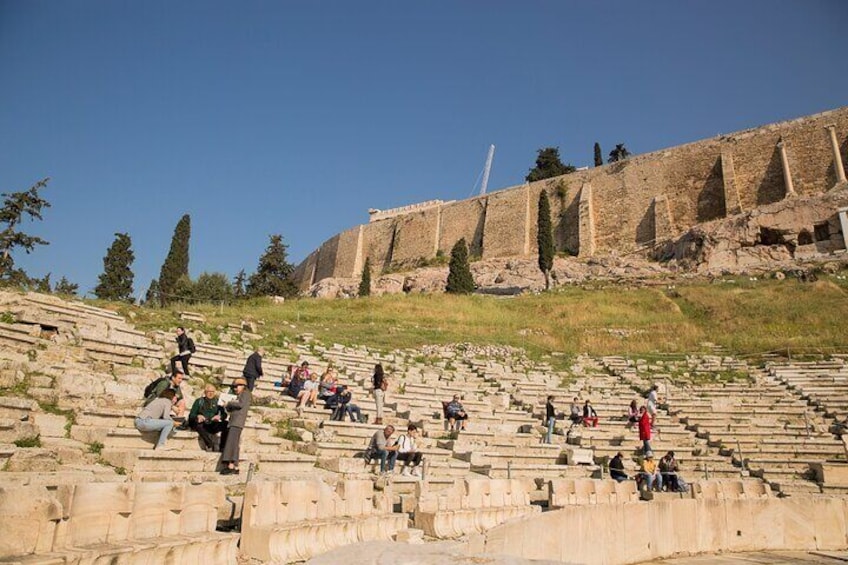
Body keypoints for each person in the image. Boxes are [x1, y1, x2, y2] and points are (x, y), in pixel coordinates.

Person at [220, 378, 252, 475]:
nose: (235, 389)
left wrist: (229, 403)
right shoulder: (240, 395)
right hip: (234, 421)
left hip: (237, 422)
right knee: (232, 443)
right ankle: (234, 466)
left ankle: (231, 466)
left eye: (237, 386)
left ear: (243, 386)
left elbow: (240, 404)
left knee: (232, 443)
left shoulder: (245, 394)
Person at [188, 384, 228, 452]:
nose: (211, 393)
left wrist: (219, 417)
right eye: (208, 391)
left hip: (212, 423)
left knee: (227, 424)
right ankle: (209, 444)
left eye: (212, 391)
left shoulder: (218, 402)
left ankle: (222, 447)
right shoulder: (199, 401)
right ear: (205, 392)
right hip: (202, 424)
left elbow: (224, 415)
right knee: (198, 424)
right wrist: (198, 416)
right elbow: (191, 415)